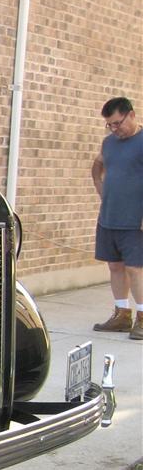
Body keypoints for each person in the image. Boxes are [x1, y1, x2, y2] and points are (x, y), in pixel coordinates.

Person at [91, 96, 143, 340]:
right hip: (109, 217)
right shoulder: (109, 143)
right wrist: (100, 186)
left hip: (135, 220)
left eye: (118, 123)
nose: (114, 129)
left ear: (132, 115)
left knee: (135, 269)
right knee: (115, 266)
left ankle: (142, 318)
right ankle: (122, 314)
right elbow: (98, 164)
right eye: (109, 124)